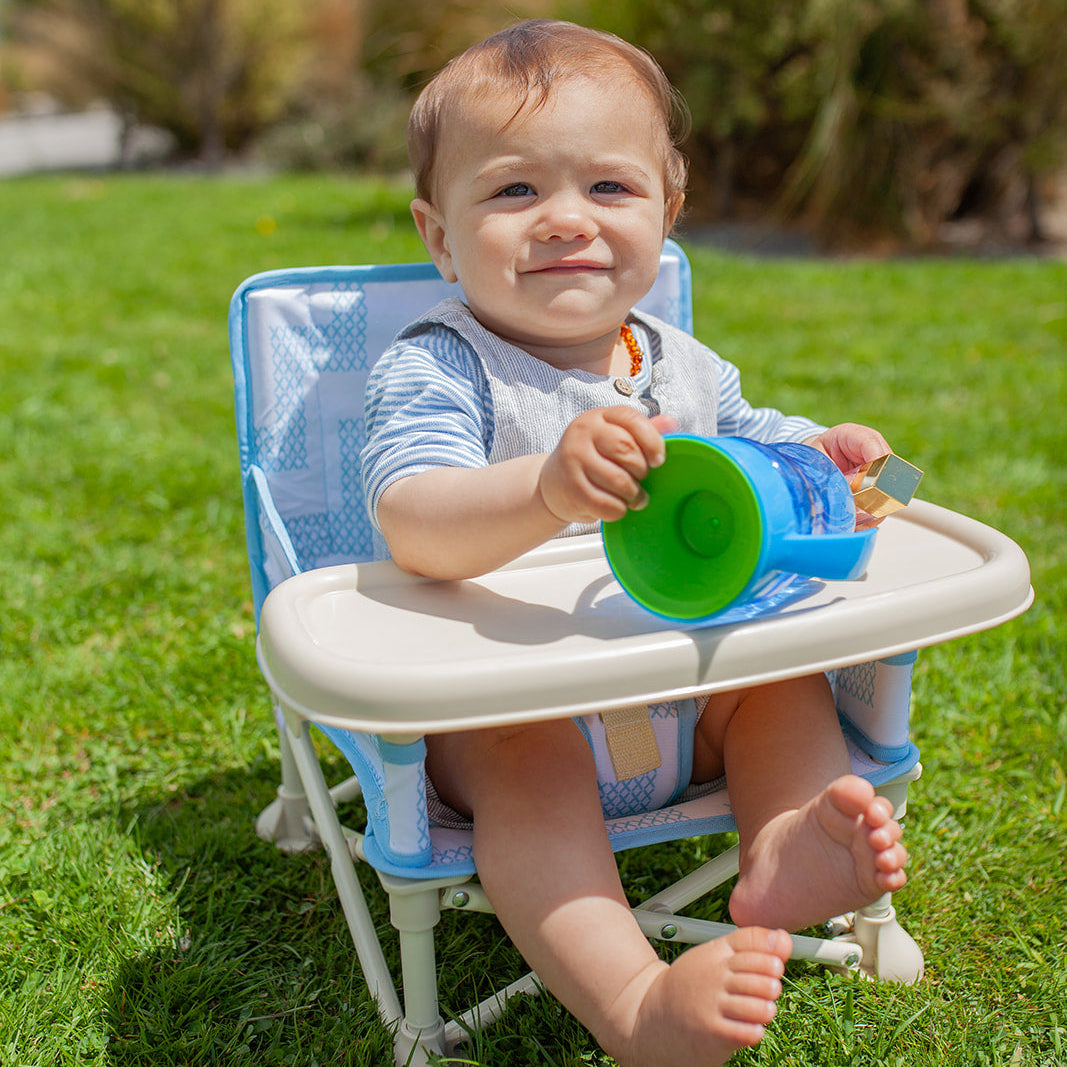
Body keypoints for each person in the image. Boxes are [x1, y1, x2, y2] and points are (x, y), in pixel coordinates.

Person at [361, 19, 907, 1067]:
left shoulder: (681, 362)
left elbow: (755, 442)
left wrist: (820, 455)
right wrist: (544, 485)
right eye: (514, 191)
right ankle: (631, 1005)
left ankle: (783, 843)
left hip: (686, 685)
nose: (565, 219)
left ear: (667, 213)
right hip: (514, 708)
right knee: (529, 772)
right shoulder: (441, 365)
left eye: (608, 189)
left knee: (779, 689)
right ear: (438, 234)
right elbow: (412, 514)